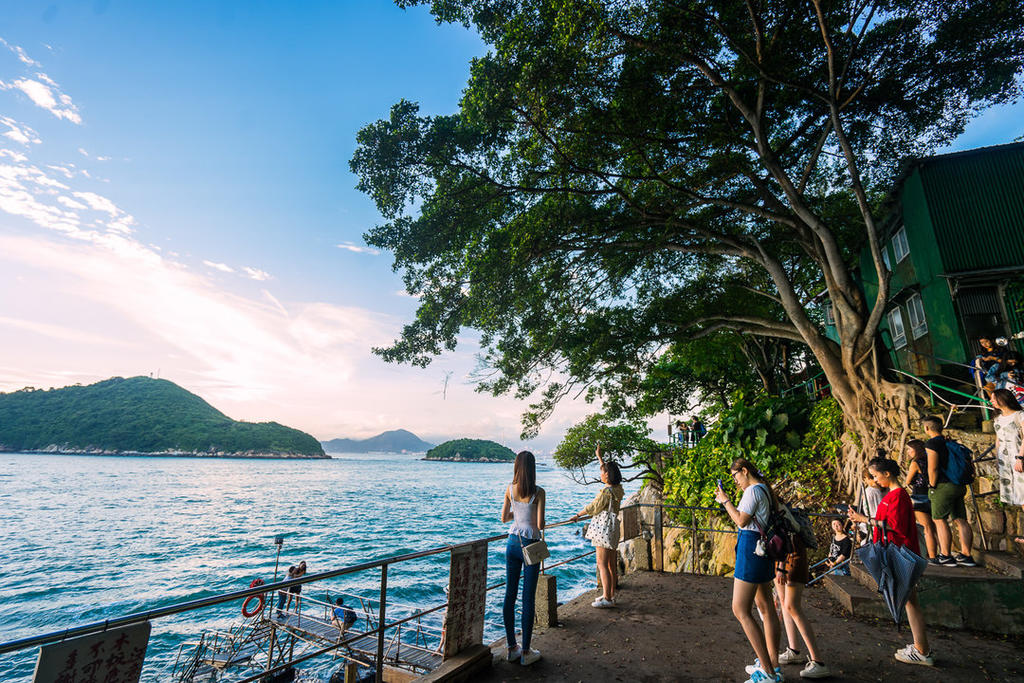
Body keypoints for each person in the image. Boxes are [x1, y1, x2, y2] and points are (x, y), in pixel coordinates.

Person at [847, 456, 933, 666]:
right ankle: (921, 647)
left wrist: (864, 519)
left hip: (901, 552)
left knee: (910, 600)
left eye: (876, 476)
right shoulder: (891, 495)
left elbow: (894, 526)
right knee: (909, 600)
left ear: (887, 474)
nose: (875, 481)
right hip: (892, 551)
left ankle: (922, 650)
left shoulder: (899, 496)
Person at [715, 458, 783, 683]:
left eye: (735, 477)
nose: (735, 482)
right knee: (765, 607)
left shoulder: (753, 491)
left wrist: (725, 501)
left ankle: (768, 672)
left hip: (751, 548)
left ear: (744, 471)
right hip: (762, 549)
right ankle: (772, 662)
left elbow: (741, 521)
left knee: (740, 609)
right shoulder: (764, 489)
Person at [772, 508, 831, 679]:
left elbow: (786, 535)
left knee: (792, 606)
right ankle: (794, 650)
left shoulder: (776, 509)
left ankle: (818, 661)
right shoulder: (774, 506)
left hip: (790, 556)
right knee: (784, 603)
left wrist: (782, 567)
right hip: (782, 556)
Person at [500, 450, 545, 666]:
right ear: (533, 468)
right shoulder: (539, 492)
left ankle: (511, 648)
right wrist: (529, 512)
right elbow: (541, 524)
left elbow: (503, 518)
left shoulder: (510, 489)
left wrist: (517, 514)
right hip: (530, 545)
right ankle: (526, 652)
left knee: (510, 594)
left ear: (517, 467)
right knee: (528, 598)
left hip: (512, 543)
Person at [570, 444, 624, 608]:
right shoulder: (618, 489)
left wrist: (578, 515)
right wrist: (599, 457)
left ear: (607, 475)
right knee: (609, 563)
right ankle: (609, 594)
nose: (600, 474)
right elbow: (606, 470)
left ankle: (607, 599)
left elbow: (593, 507)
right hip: (612, 528)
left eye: (602, 472)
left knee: (601, 563)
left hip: (603, 530)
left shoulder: (606, 492)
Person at [923, 417, 976, 567]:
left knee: (939, 520)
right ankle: (966, 555)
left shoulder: (932, 443)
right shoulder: (949, 441)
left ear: (927, 429)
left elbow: (932, 468)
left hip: (943, 485)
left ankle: (945, 555)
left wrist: (932, 485)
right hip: (958, 484)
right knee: (960, 519)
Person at [991, 388, 1024, 547]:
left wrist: (1020, 457)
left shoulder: (1020, 415)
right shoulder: (997, 419)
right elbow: (998, 440)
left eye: (994, 398)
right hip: (1006, 461)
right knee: (1019, 497)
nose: (991, 402)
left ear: (1003, 399)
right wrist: (998, 458)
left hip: (1018, 459)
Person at [904, 439, 938, 563]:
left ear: (916, 450)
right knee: (936, 526)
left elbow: (908, 481)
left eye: (909, 449)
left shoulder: (916, 463)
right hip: (933, 495)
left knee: (927, 528)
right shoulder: (931, 459)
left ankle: (933, 556)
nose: (908, 452)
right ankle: (943, 554)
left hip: (919, 497)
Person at [855, 469, 884, 544]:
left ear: (866, 478)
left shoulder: (868, 491)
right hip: (880, 520)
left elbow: (868, 511)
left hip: (874, 521)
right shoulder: (882, 488)